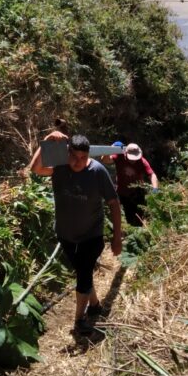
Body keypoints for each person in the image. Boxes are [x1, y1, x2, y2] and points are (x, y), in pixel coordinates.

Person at [28, 131, 123, 336]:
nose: (78, 162)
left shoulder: (97, 172)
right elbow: (35, 169)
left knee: (83, 274)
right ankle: (95, 304)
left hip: (92, 235)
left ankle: (79, 320)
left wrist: (117, 237)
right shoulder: (60, 168)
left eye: (83, 157)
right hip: (66, 235)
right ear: (67, 152)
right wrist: (47, 142)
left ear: (88, 155)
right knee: (84, 272)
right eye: (74, 156)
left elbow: (114, 204)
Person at [112, 141, 159, 226]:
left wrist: (155, 188)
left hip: (137, 193)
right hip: (122, 192)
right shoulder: (119, 157)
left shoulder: (142, 161)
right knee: (128, 217)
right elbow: (105, 160)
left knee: (140, 217)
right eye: (131, 158)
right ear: (126, 153)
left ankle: (140, 232)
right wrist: (111, 149)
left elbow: (152, 175)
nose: (134, 161)